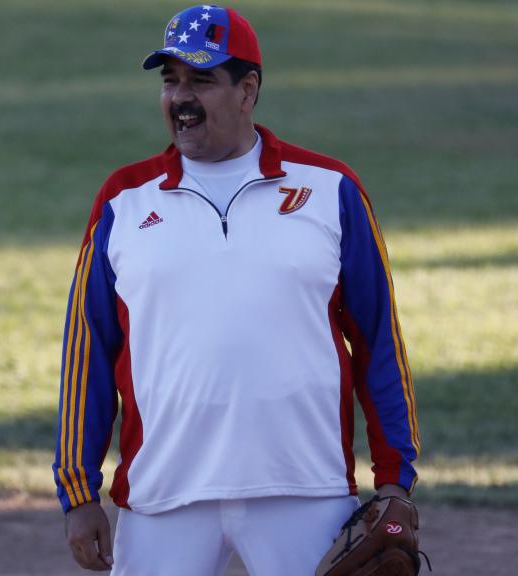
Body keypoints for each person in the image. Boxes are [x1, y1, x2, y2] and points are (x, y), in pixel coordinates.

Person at [52, 5, 420, 574]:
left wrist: (395, 478)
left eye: (201, 79)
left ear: (248, 89)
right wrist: (78, 492)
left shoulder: (330, 190)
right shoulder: (124, 199)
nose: (181, 98)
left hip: (304, 487)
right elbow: (88, 353)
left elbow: (379, 343)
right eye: (170, 81)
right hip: (164, 493)